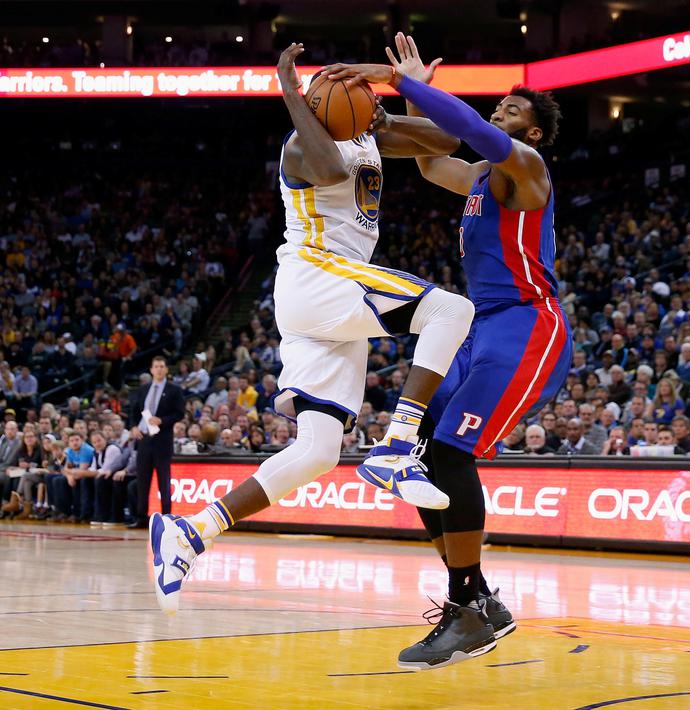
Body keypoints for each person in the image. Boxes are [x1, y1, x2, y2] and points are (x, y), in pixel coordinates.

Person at [147, 42, 472, 615]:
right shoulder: (301, 144)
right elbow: (327, 168)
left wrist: (406, 92)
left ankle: (191, 532)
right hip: (317, 276)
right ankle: (398, 444)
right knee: (450, 310)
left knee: (319, 450)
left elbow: (446, 142)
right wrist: (294, 94)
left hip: (326, 297)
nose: (365, 101)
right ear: (324, 105)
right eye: (355, 96)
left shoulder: (372, 131)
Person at [329, 33, 571, 669]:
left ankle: (465, 609)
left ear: (535, 134)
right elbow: (435, 156)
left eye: (515, 111)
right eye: (500, 107)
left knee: (449, 451)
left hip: (526, 325)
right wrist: (373, 120)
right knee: (420, 458)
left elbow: (466, 129)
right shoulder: (476, 179)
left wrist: (397, 79)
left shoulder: (526, 170)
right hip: (482, 328)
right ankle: (480, 599)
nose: (501, 114)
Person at [127, 357, 185, 527]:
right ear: (151, 370)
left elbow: (179, 413)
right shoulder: (144, 389)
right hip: (144, 439)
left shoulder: (174, 390)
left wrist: (163, 420)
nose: (159, 369)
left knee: (164, 481)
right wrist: (133, 427)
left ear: (166, 369)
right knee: (143, 480)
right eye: (156, 367)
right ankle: (141, 517)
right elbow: (134, 411)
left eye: (162, 366)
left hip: (162, 440)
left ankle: (167, 518)